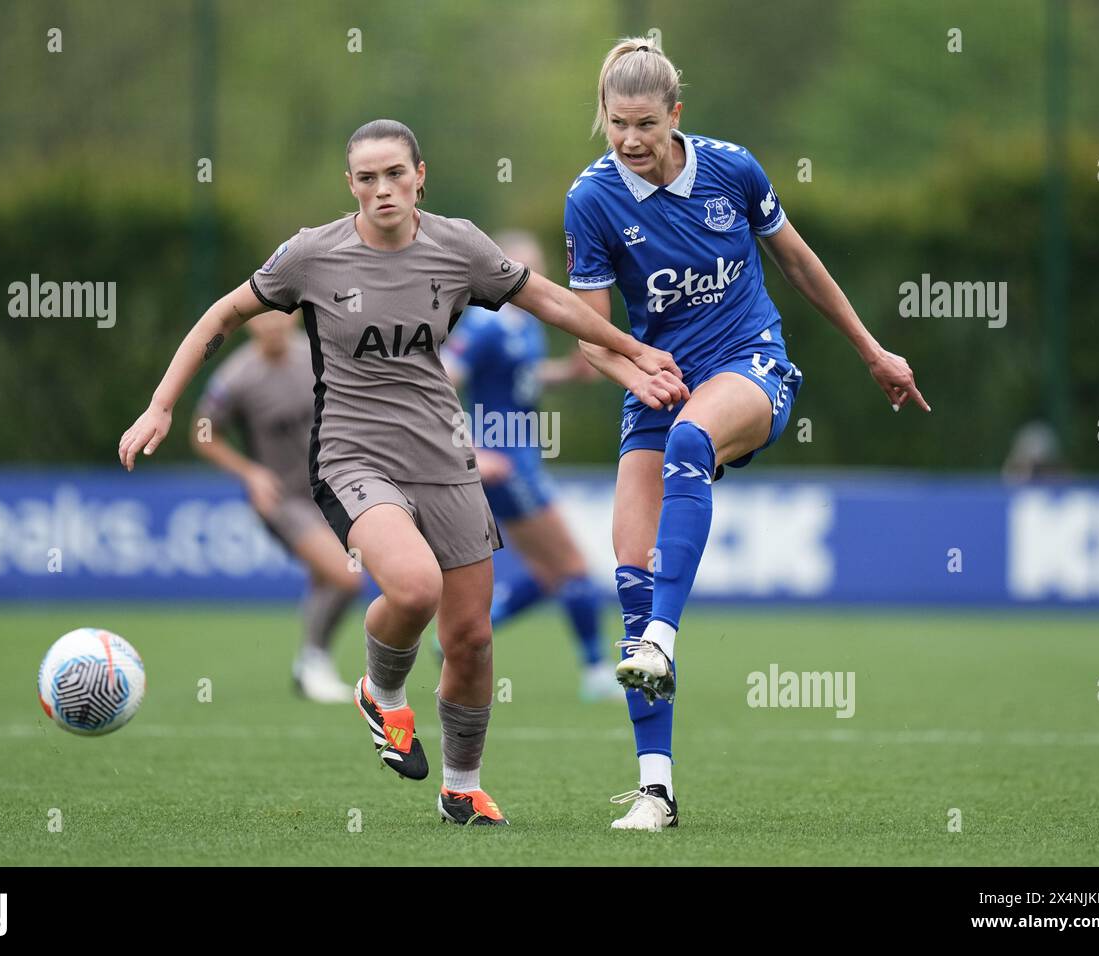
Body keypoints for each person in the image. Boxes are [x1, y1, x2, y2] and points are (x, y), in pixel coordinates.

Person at [119, 118, 683, 826]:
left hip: (445, 457)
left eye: (394, 174)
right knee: (412, 588)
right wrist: (161, 406)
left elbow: (552, 301)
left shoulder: (459, 245)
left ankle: (462, 787)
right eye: (366, 177)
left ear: (421, 175)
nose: (382, 188)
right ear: (350, 184)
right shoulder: (311, 255)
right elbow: (220, 317)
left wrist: (631, 350)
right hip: (353, 455)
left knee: (471, 639)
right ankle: (382, 694)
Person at [565, 39, 930, 830]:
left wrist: (873, 352)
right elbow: (591, 336)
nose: (630, 140)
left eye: (646, 125)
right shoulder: (590, 200)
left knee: (692, 445)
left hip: (748, 363)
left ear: (676, 116)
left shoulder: (733, 169)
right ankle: (656, 790)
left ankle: (666, 635)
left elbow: (797, 263)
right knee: (630, 578)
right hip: (655, 385)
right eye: (617, 123)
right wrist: (637, 377)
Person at [443, 230, 623, 702]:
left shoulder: (524, 325)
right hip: (505, 464)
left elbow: (516, 378)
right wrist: (471, 451)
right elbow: (440, 384)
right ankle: (597, 670)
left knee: (548, 575)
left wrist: (564, 373)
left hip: (518, 460)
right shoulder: (483, 325)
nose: (523, 276)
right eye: (514, 265)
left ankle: (459, 639)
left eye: (530, 266)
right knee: (573, 565)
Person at [191, 309, 360, 703]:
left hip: (331, 490)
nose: (271, 324)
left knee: (327, 578)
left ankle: (311, 666)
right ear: (250, 323)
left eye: (280, 315)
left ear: (296, 317)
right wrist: (250, 473)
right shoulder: (235, 378)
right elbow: (202, 434)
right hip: (283, 500)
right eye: (262, 317)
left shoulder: (318, 356)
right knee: (346, 576)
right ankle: (312, 661)